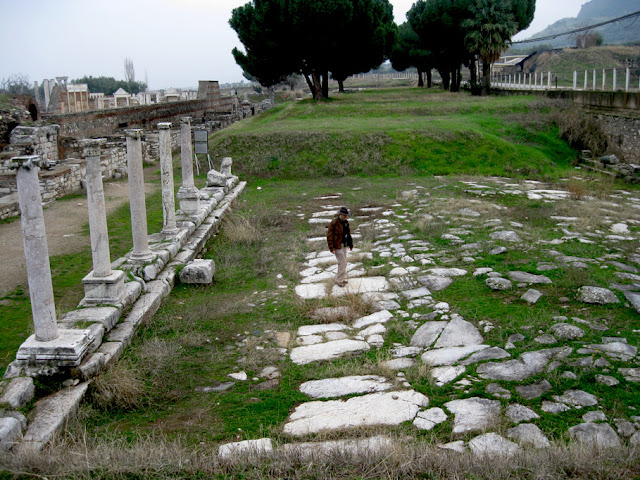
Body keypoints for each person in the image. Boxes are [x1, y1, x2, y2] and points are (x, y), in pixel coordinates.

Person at [327, 206, 353, 287]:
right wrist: (331, 248)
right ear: (340, 214)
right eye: (344, 215)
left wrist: (350, 244)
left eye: (346, 215)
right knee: (343, 263)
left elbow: (348, 234)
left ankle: (340, 279)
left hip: (344, 245)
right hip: (337, 246)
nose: (346, 216)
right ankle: (339, 280)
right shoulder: (334, 222)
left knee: (342, 263)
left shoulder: (346, 222)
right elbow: (329, 236)